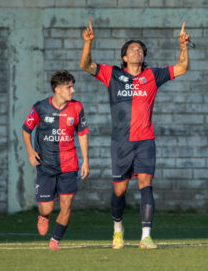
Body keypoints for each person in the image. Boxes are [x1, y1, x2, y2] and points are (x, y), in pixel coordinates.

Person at [79, 18, 189, 249]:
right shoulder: (112, 74)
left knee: (145, 183)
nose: (137, 51)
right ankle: (118, 229)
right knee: (119, 190)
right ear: (125, 57)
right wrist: (88, 42)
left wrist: (182, 45)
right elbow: (86, 65)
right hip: (120, 143)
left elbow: (182, 67)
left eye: (140, 49)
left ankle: (146, 236)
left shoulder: (153, 75)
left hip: (145, 141)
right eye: (132, 49)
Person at [22, 70, 90, 250]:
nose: (73, 91)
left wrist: (86, 161)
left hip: (69, 164)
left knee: (67, 206)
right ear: (58, 89)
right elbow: (26, 129)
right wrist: (30, 152)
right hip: (46, 165)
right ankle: (43, 216)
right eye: (69, 87)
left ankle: (55, 241)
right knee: (47, 208)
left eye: (72, 86)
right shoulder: (40, 107)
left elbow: (82, 134)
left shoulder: (77, 108)